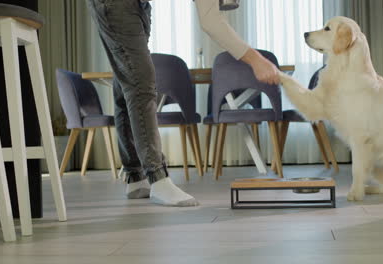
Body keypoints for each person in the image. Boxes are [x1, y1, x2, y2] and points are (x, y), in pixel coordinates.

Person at [87, 0, 279, 207]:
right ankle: (157, 178)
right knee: (140, 83)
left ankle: (136, 177)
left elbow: (211, 12)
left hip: (138, 6)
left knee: (127, 79)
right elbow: (211, 20)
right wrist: (256, 60)